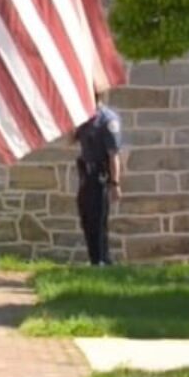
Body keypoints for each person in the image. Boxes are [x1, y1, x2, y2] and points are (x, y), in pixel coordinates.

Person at [73, 86, 123, 266]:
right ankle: (94, 258)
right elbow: (72, 139)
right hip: (86, 175)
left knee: (98, 219)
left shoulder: (107, 120)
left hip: (100, 175)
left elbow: (113, 155)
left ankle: (102, 259)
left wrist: (115, 183)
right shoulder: (85, 119)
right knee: (86, 217)